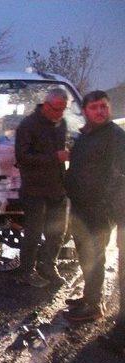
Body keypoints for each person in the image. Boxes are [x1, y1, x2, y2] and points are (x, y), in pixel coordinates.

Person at [64, 90, 125, 322]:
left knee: (95, 255)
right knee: (84, 253)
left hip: (100, 209)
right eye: (95, 107)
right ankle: (89, 295)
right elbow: (78, 167)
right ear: (85, 111)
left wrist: (104, 205)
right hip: (80, 206)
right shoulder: (87, 135)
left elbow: (119, 174)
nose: (100, 111)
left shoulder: (115, 136)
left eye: (104, 107)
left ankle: (93, 306)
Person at [14, 88, 70, 288]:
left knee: (57, 232)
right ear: (46, 105)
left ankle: (48, 266)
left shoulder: (61, 124)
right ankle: (26, 271)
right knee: (33, 233)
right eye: (57, 109)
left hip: (57, 188)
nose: (60, 114)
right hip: (34, 190)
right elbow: (22, 157)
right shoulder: (28, 126)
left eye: (63, 109)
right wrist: (54, 157)